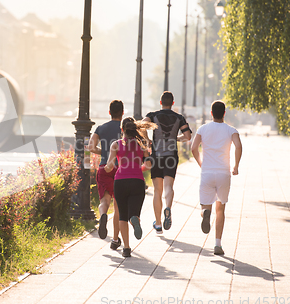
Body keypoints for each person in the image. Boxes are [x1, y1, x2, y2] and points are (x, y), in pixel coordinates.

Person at [191, 100, 242, 255]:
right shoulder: (231, 130)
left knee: (205, 206)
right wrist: (236, 166)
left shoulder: (202, 129)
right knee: (220, 209)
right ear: (224, 113)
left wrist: (201, 164)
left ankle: (205, 213)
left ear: (211, 113)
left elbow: (193, 148)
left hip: (207, 172)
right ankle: (217, 245)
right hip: (223, 173)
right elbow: (238, 146)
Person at [104, 117, 157, 257]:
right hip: (137, 181)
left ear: (122, 129)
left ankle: (126, 248)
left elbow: (109, 166)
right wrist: (140, 165)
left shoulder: (116, 144)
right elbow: (149, 165)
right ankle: (135, 219)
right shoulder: (141, 145)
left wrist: (109, 167)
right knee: (134, 213)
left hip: (120, 181)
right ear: (135, 130)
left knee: (122, 216)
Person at [144, 91, 192, 234]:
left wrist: (147, 140)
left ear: (160, 102)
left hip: (157, 156)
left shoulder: (153, 115)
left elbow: (141, 125)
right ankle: (168, 208)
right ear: (173, 103)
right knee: (169, 186)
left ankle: (158, 224)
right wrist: (177, 139)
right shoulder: (179, 117)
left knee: (157, 191)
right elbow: (188, 136)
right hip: (171, 156)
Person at [88, 100, 123, 250]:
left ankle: (102, 215)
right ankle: (115, 238)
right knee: (117, 207)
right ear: (122, 112)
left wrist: (105, 153)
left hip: (103, 167)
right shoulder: (124, 129)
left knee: (104, 200)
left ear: (109, 112)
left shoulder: (101, 128)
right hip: (120, 169)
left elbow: (90, 146)